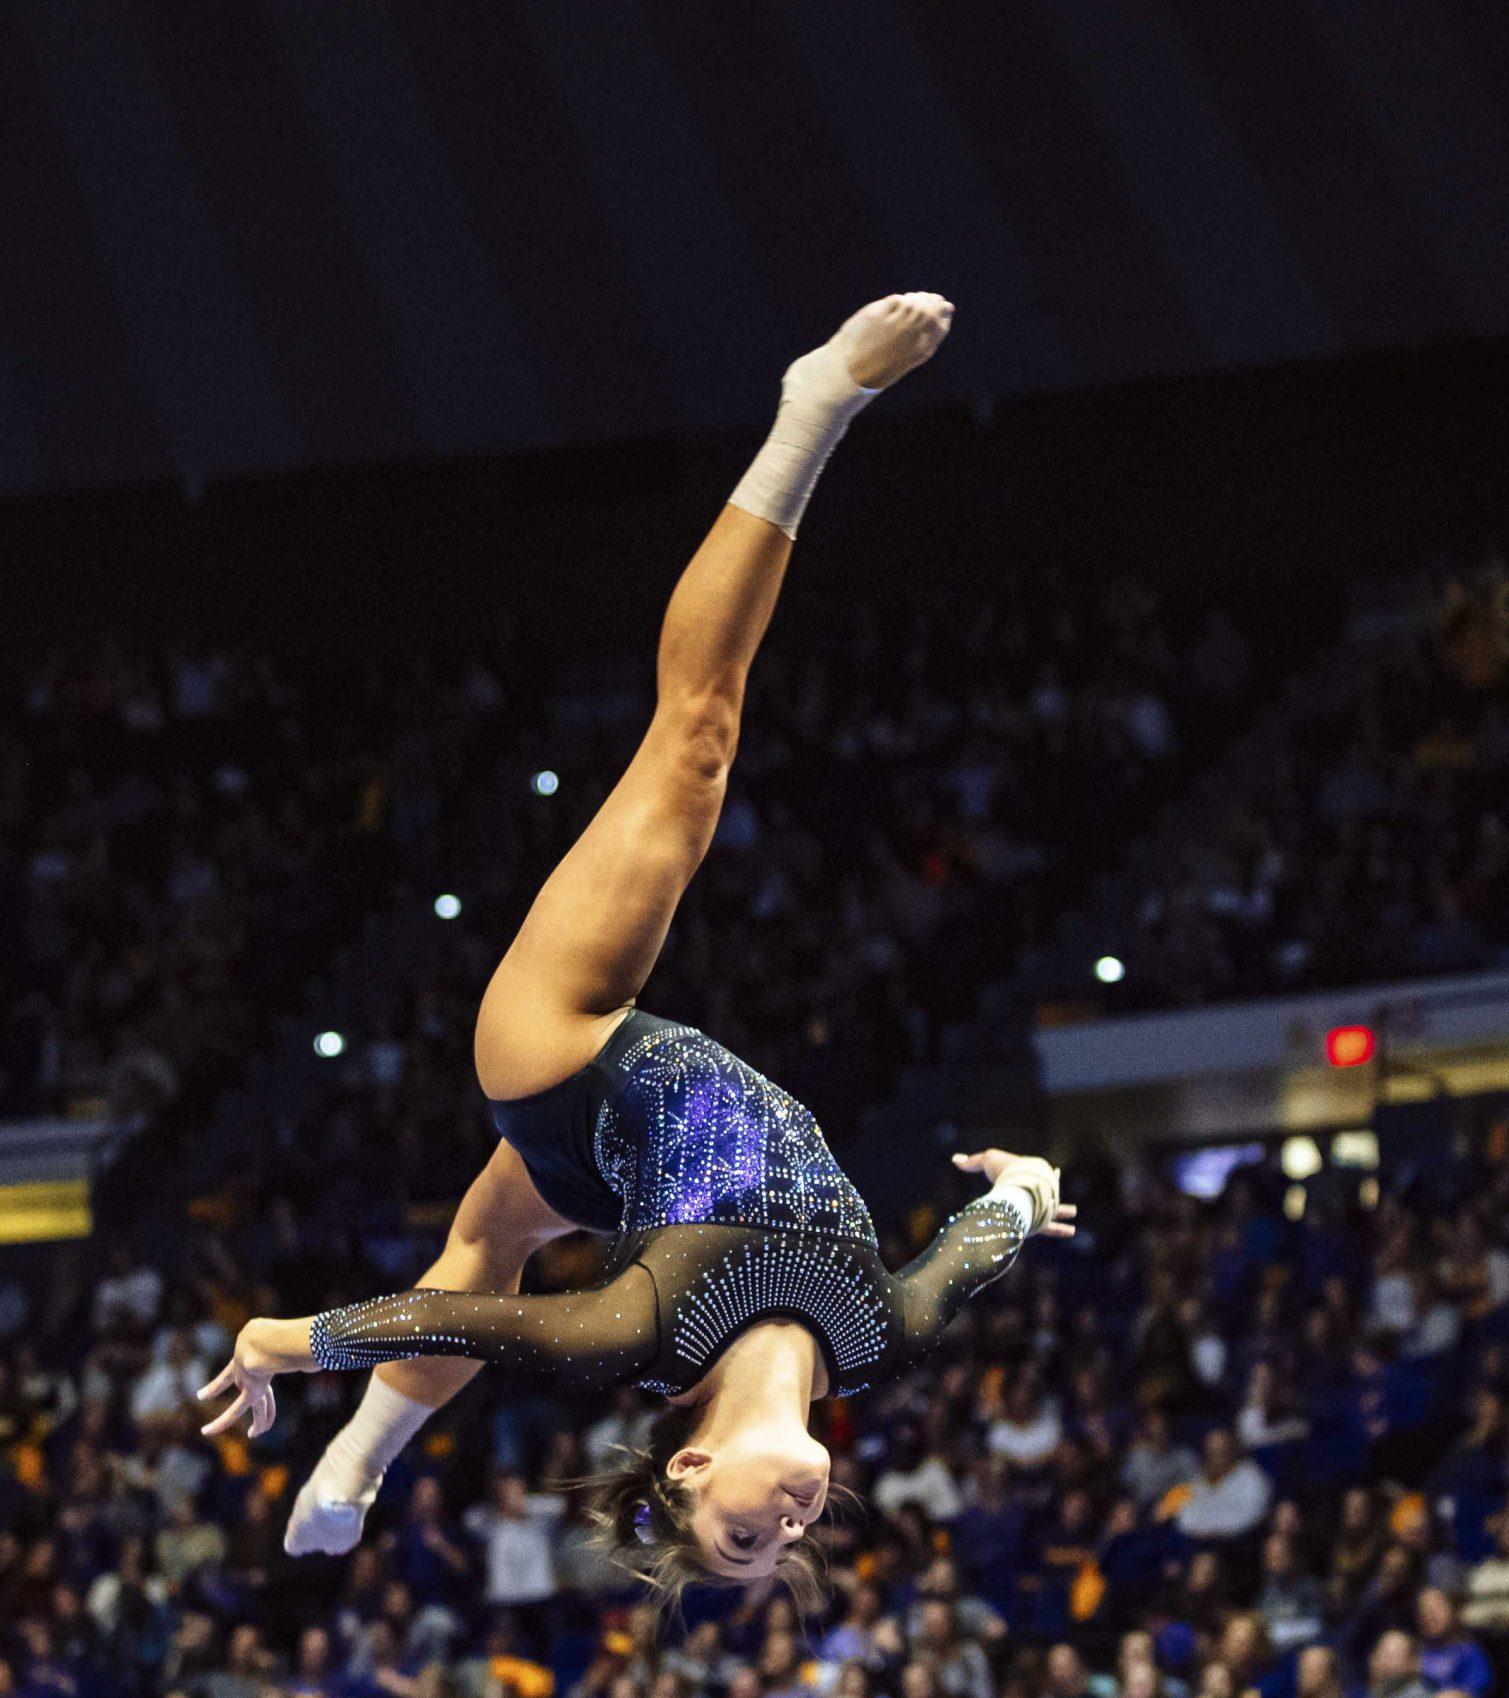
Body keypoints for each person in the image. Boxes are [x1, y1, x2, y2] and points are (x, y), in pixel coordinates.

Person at [196, 292, 1075, 1596]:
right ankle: (362, 1465)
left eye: (741, 1535)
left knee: (696, 740)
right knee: (488, 1231)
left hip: (565, 1053)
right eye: (787, 1545)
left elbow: (465, 1322)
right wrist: (1028, 1181)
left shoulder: (647, 1331)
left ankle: (812, 407)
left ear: (687, 1472)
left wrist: (287, 1336)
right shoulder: (876, 1340)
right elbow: (976, 1246)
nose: (784, 1525)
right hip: (611, 1160)